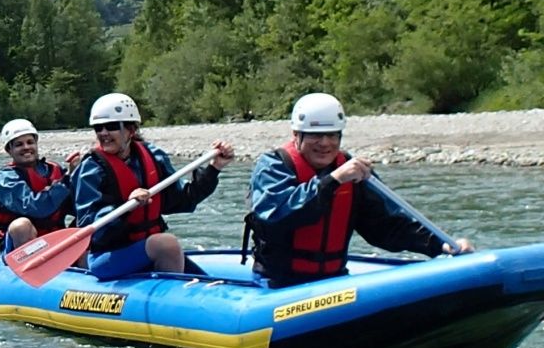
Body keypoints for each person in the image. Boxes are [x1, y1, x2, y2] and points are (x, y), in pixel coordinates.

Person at [245, 91, 471, 287]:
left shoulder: (352, 173)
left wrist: (439, 244)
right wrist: (333, 180)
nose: (325, 143)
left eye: (332, 134)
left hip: (332, 280)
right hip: (278, 283)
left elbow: (387, 227)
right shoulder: (274, 166)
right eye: (315, 135)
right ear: (297, 135)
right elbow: (278, 215)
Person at [70, 93, 235, 280]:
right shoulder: (91, 169)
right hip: (108, 256)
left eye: (112, 126)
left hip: (146, 250)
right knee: (166, 244)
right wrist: (126, 207)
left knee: (210, 283)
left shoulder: (153, 157)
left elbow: (182, 201)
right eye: (98, 128)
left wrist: (214, 168)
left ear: (131, 130)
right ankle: (169, 303)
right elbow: (89, 225)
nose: (104, 133)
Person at [0, 118, 73, 252]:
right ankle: (29, 268)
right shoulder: (6, 180)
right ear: (9, 150)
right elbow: (37, 208)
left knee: (89, 215)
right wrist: (67, 182)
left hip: (56, 237)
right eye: (19, 144)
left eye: (30, 142)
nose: (26, 147)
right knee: (21, 226)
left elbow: (77, 204)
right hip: (21, 246)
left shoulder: (54, 170)